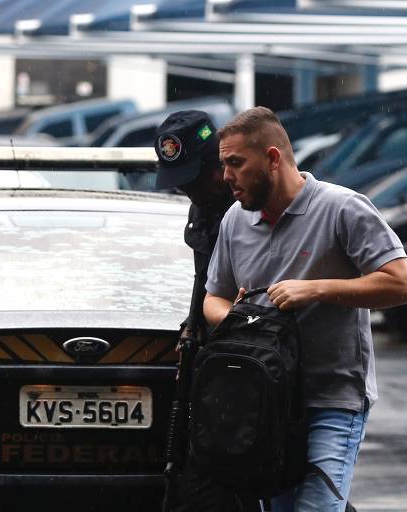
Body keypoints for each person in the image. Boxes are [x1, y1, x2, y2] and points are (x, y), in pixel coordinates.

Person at [203, 106, 407, 512]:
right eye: (223, 164)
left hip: (332, 398)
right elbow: (214, 298)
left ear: (272, 158)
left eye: (235, 163)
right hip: (266, 404)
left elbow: (404, 285)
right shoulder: (235, 220)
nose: (226, 176)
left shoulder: (343, 208)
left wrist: (317, 289)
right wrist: (235, 318)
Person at [154, 110, 259, 512]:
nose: (189, 191)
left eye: (196, 178)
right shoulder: (203, 205)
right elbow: (205, 282)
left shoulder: (255, 202)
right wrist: (192, 327)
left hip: (258, 364)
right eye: (181, 183)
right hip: (215, 366)